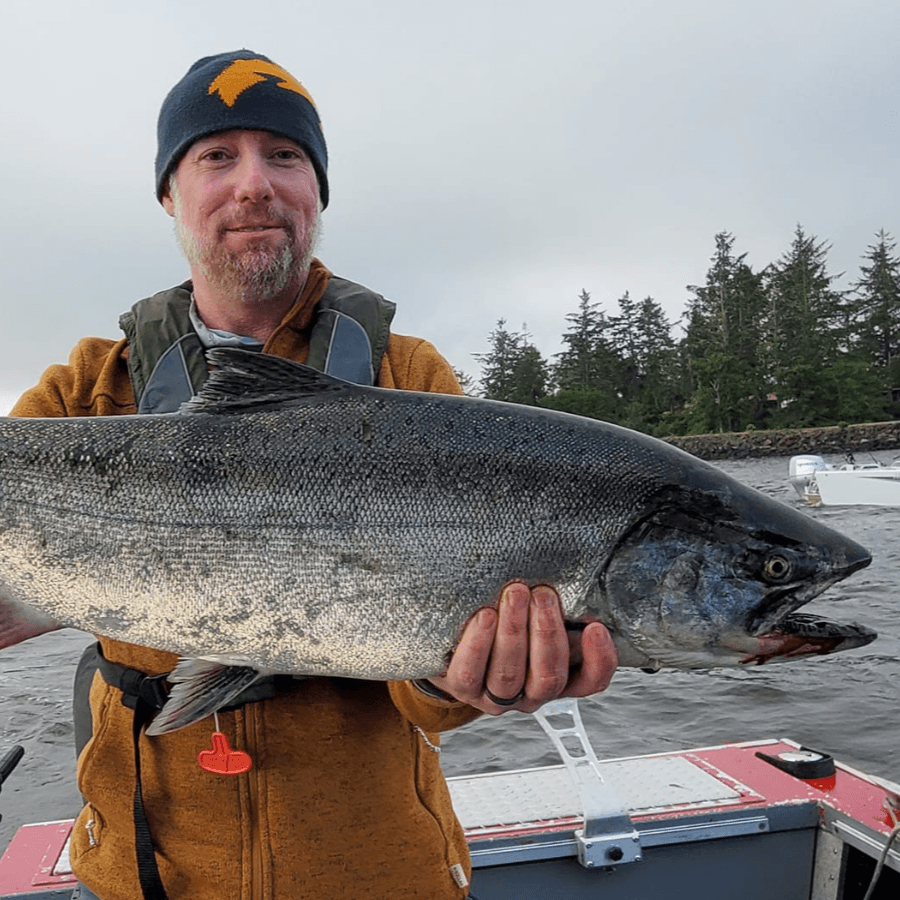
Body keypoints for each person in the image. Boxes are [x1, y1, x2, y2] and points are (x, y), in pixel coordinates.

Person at [11, 50, 618, 900]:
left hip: (378, 874)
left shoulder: (411, 381)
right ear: (169, 196)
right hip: (149, 874)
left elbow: (433, 704)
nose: (253, 183)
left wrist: (475, 680)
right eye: (216, 156)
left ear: (317, 192)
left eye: (284, 156)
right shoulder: (84, 392)